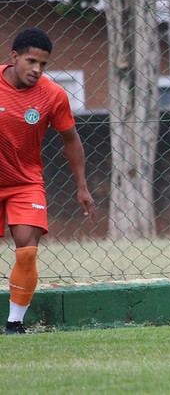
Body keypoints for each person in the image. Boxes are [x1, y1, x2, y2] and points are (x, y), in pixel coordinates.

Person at [1, 28, 95, 334]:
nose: (37, 69)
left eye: (43, 64)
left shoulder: (53, 94)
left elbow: (71, 139)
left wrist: (82, 186)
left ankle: (15, 324)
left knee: (27, 250)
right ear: (14, 57)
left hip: (25, 184)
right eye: (31, 61)